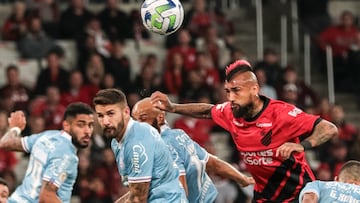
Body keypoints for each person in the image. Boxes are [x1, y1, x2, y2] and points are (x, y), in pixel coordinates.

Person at [150, 59, 338, 202]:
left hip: (298, 194)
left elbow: (328, 128)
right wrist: (173, 107)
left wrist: (303, 145)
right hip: (264, 196)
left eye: (236, 90)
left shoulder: (281, 113)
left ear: (254, 89)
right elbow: (208, 110)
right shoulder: (230, 112)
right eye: (228, 91)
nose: (230, 97)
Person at [131, 97, 255, 202]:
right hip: (208, 198)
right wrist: (241, 178)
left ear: (160, 118)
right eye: (134, 119)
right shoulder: (178, 135)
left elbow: (180, 191)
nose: (136, 125)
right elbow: (212, 162)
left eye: (142, 119)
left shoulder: (163, 146)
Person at [92, 88, 187, 203]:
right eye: (100, 116)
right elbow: (136, 190)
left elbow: (138, 199)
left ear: (126, 112)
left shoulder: (137, 142)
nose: (106, 121)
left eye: (111, 114)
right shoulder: (116, 141)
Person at [0, 102, 95, 203]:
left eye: (90, 125)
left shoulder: (46, 136)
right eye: (81, 125)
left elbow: (6, 143)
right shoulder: (67, 155)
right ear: (66, 125)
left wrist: (15, 128)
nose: (87, 131)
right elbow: (46, 196)